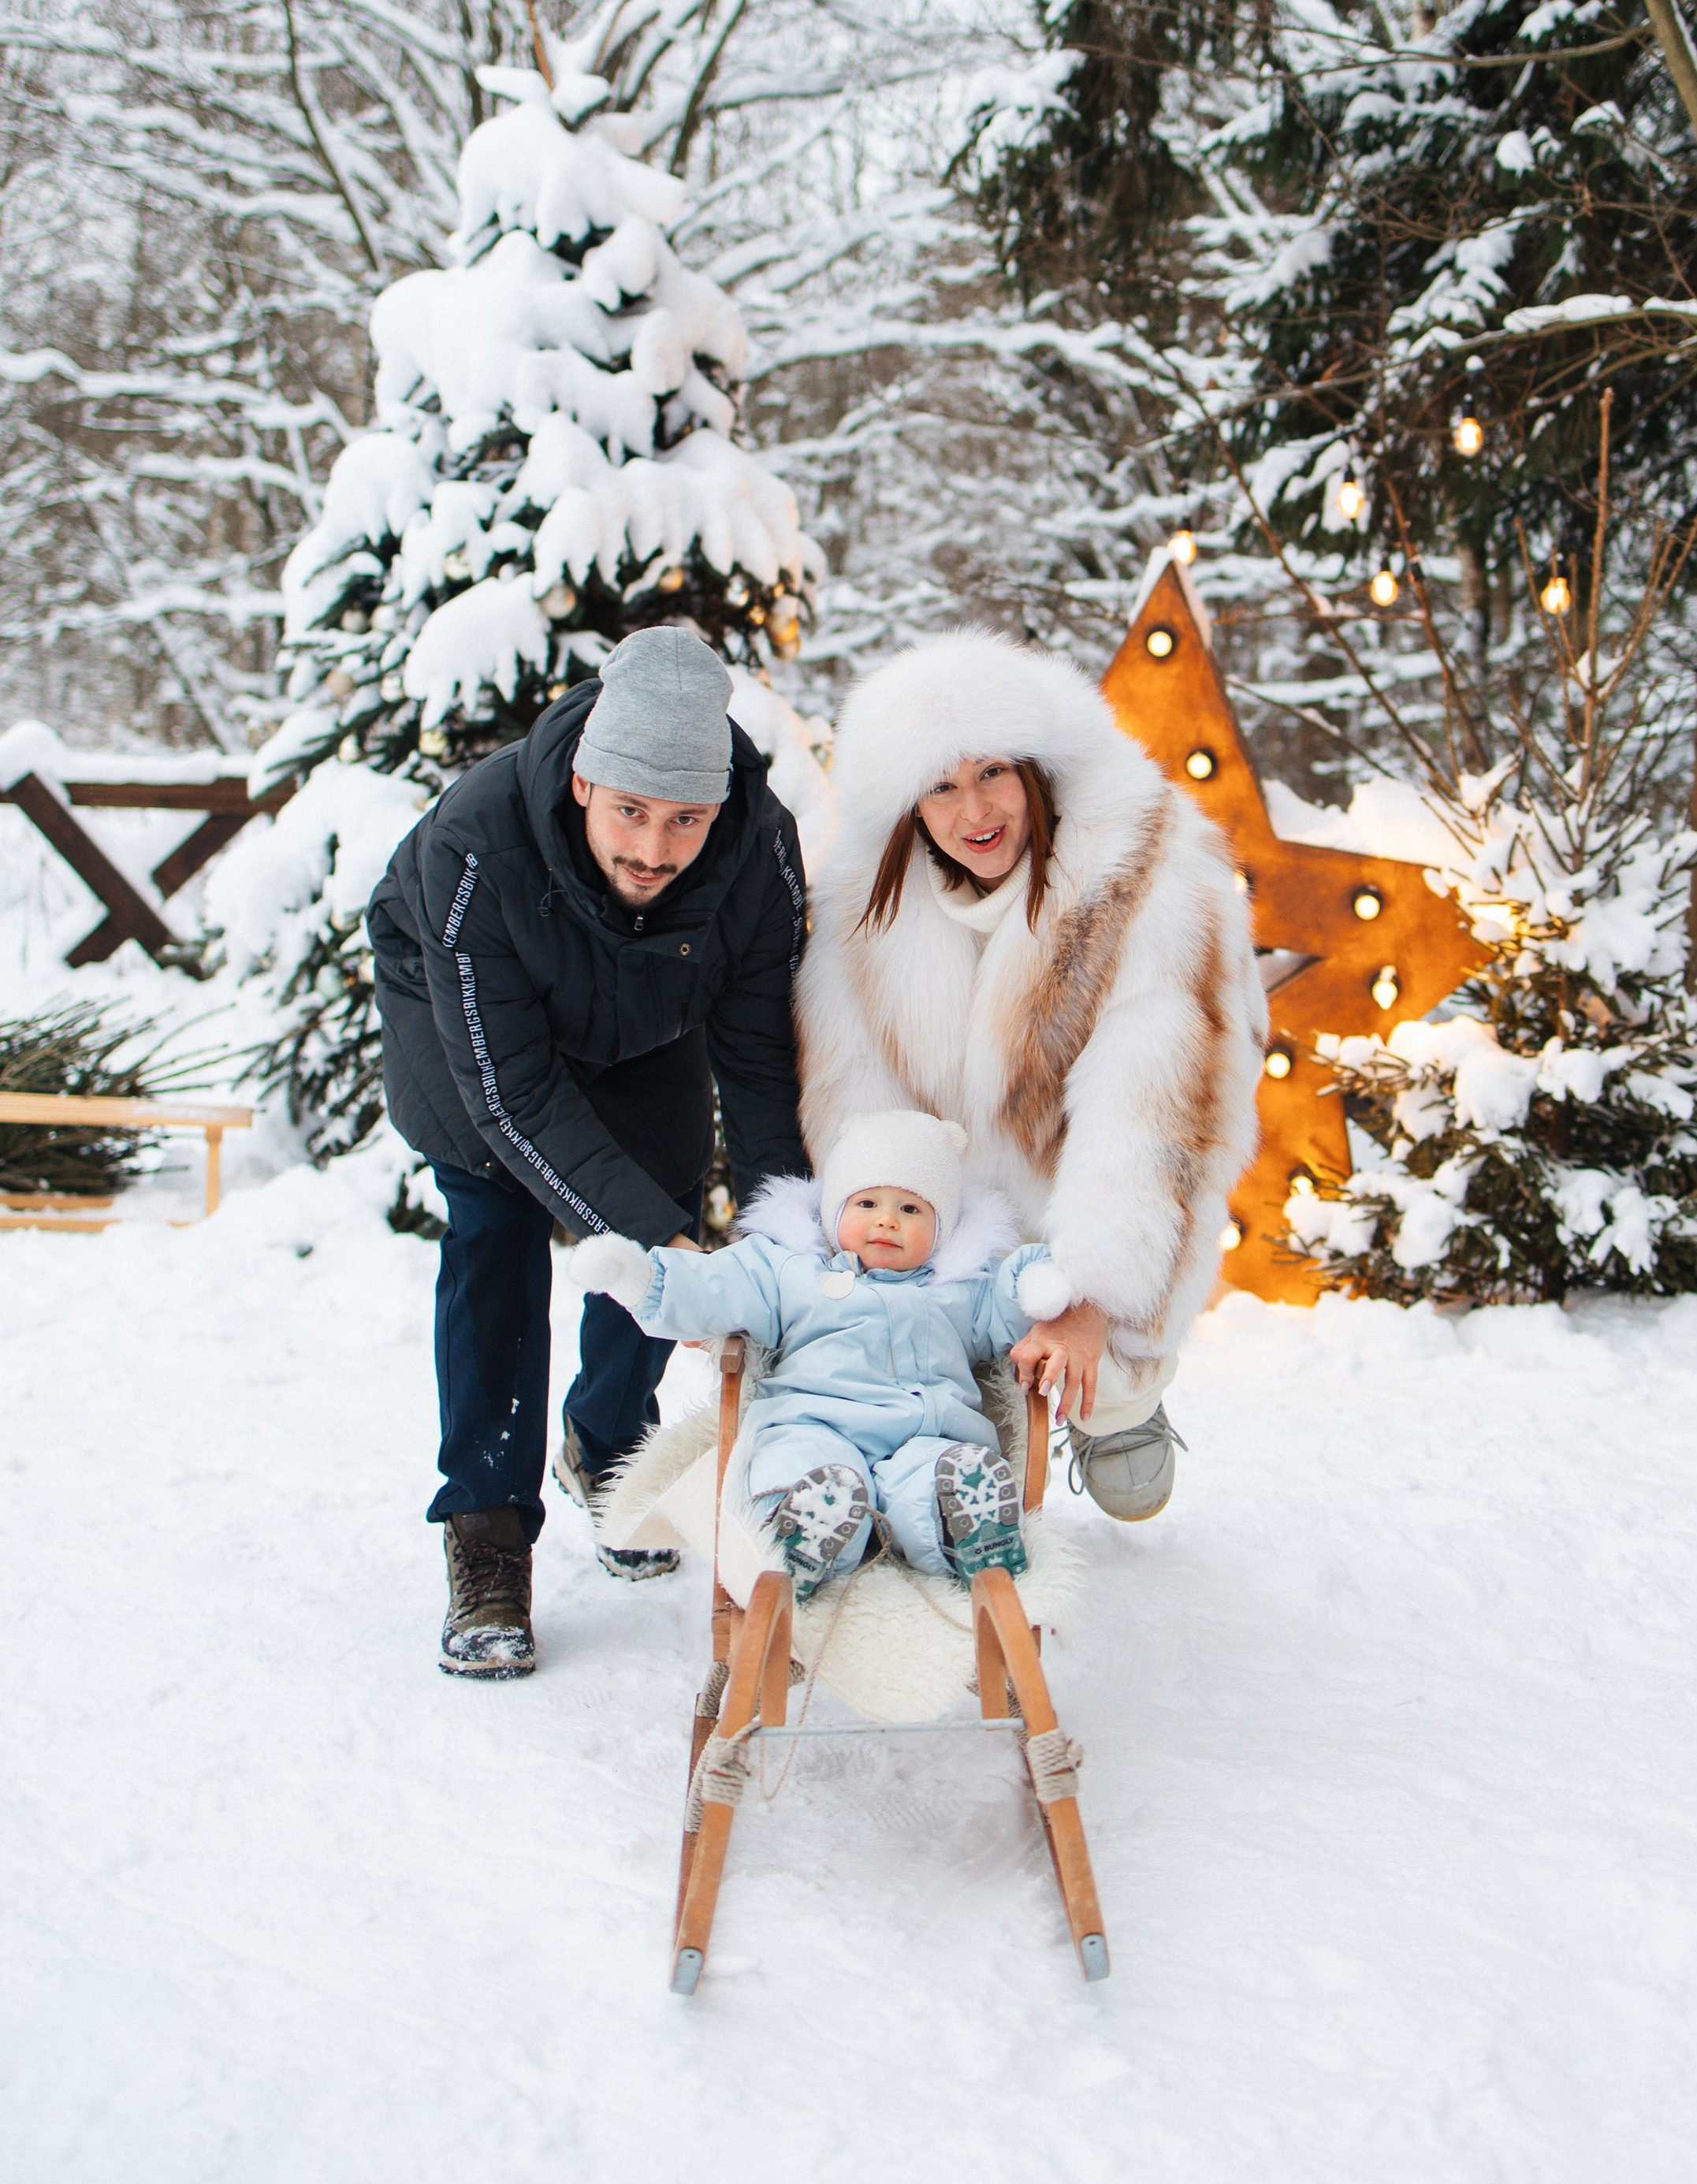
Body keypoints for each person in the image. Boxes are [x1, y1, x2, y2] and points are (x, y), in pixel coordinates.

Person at [368, 625, 809, 1679]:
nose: (654, 849)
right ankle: (486, 1531)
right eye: (630, 813)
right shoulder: (476, 843)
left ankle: (610, 1445)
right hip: (471, 1019)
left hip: (645, 1013)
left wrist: (780, 1248)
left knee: (661, 1197)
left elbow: (756, 1068)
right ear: (581, 782)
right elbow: (513, 1094)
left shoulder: (760, 852)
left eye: (685, 820)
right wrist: (663, 1244)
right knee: (497, 1222)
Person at [795, 630, 1265, 1522]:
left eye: (992, 773)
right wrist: (888, 1262)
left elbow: (1155, 1122)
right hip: (957, 1208)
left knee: (1104, 1369)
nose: (974, 808)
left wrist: (1091, 1299)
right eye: (939, 785)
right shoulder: (861, 912)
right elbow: (856, 1105)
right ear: (907, 809)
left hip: (1077, 1182)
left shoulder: (1146, 879)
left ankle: (1121, 1393)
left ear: (1037, 770)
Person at [578, 1109, 1050, 1594]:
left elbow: (1007, 1308)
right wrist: (644, 1281)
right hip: (816, 1422)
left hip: (926, 1432)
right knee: (802, 1464)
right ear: (834, 1210)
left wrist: (1035, 1282)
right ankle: (805, 1527)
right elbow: (720, 1284)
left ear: (943, 1226)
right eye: (867, 1203)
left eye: (911, 1210)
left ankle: (962, 1524)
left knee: (937, 1472)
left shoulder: (961, 1287)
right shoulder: (790, 1270)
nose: (887, 1219)